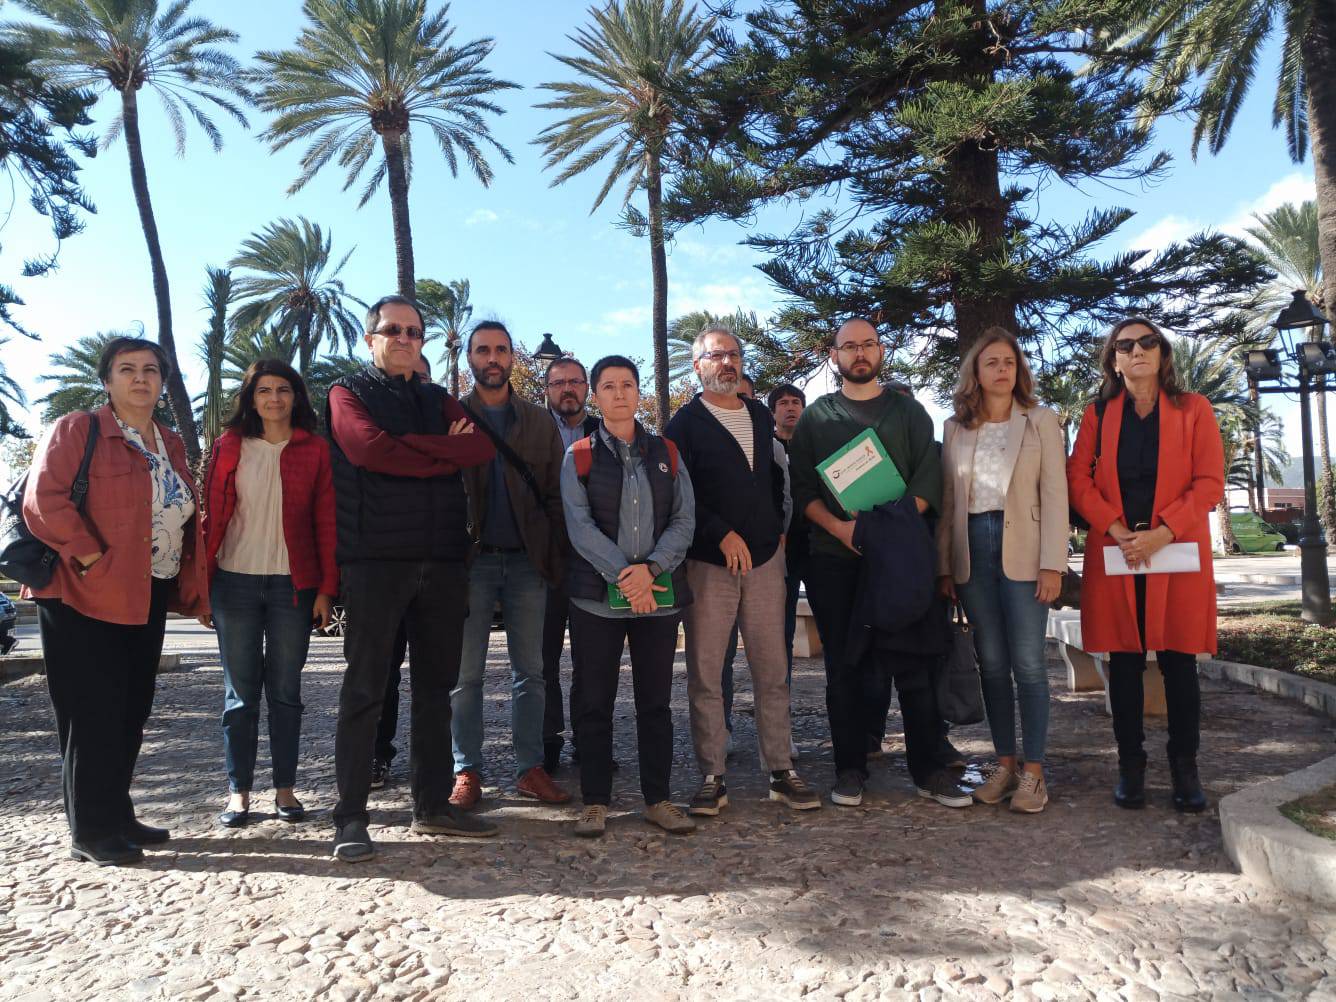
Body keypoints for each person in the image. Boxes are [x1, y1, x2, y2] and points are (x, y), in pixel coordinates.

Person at [22, 336, 208, 865]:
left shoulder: (168, 441)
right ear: (107, 380)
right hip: (83, 591)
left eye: (151, 370)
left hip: (145, 589)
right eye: (127, 369)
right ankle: (91, 829)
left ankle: (116, 812)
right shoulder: (79, 429)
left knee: (130, 707)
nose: (140, 378)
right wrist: (88, 558)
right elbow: (44, 499)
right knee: (91, 710)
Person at [326, 295, 499, 862]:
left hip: (444, 562)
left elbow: (476, 447)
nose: (405, 338)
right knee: (365, 690)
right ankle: (350, 816)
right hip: (376, 562)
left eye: (415, 332)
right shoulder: (347, 393)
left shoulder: (435, 397)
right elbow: (366, 449)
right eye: (393, 330)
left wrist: (423, 450)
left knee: (435, 690)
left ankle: (432, 806)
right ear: (371, 337)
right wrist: (440, 451)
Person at [788, 318, 972, 809]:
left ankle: (929, 771)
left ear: (881, 350)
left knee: (916, 668)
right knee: (846, 670)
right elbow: (803, 490)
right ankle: (849, 769)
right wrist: (844, 530)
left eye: (868, 343)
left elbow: (927, 485)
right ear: (835, 357)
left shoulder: (909, 414)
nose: (859, 353)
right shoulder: (816, 419)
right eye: (849, 346)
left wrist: (881, 532)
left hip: (902, 561)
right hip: (836, 558)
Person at [1068, 318, 1223, 813]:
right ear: (1114, 359)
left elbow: (1209, 481)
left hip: (1174, 547)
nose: (1138, 351)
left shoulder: (1193, 409)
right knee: (1125, 662)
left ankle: (1185, 767)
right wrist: (1118, 530)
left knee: (1179, 662)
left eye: (1148, 342)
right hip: (1117, 550)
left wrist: (1161, 533)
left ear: (1162, 353)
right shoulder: (1097, 413)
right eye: (1126, 345)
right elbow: (1077, 480)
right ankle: (1130, 767)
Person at [666, 330, 818, 816]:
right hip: (710, 564)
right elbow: (679, 496)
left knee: (772, 671)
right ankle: (713, 775)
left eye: (733, 354)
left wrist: (775, 529)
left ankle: (781, 769)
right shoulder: (683, 425)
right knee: (707, 673)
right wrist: (719, 533)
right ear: (697, 366)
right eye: (717, 355)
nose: (727, 362)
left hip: (765, 563)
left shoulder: (757, 414)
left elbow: (774, 478)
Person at [561, 356, 698, 837]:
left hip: (658, 598)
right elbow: (579, 527)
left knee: (655, 702)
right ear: (596, 395)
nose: (619, 393)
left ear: (639, 392)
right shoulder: (578, 455)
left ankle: (657, 798)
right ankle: (595, 801)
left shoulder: (668, 452)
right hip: (596, 600)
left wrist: (652, 571)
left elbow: (684, 520)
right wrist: (626, 575)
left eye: (628, 384)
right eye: (609, 386)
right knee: (594, 700)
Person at [936, 328, 1067, 814]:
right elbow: (950, 502)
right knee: (990, 663)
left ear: (1019, 370)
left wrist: (1053, 562)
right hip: (973, 551)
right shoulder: (955, 427)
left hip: (1026, 552)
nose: (1001, 370)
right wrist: (945, 566)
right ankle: (1005, 764)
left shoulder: (1041, 421)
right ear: (976, 371)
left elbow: (1055, 494)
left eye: (1009, 362)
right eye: (991, 362)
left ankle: (1035, 772)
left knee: (1029, 664)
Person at [201, 360, 337, 827]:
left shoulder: (315, 450)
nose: (274, 398)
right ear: (251, 398)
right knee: (240, 695)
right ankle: (238, 792)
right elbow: (210, 517)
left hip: (292, 588)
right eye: (264, 390)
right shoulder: (229, 445)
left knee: (285, 692)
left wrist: (325, 591)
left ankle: (285, 790)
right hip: (232, 583)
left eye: (283, 389)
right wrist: (200, 585)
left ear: (296, 397)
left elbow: (327, 523)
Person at [450, 321, 571, 808]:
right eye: (484, 350)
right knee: (466, 676)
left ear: (512, 360)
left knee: (533, 673)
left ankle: (530, 768)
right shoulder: (452, 417)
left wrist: (553, 553)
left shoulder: (538, 422)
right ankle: (467, 771)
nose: (493, 357)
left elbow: (558, 494)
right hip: (471, 563)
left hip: (526, 563)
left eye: (501, 349)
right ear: (471, 360)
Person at [371, 355, 434, 790]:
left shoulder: (445, 421)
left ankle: (432, 772)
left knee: (436, 679)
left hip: (439, 567)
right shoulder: (376, 424)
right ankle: (377, 754)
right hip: (385, 564)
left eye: (424, 379)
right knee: (381, 672)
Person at [540, 354, 601, 774]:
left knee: (591, 659)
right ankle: (546, 744)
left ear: (586, 389)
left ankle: (589, 741)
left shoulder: (608, 432)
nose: (567, 389)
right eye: (558, 382)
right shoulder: (530, 430)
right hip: (542, 561)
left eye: (575, 382)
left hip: (592, 561)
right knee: (540, 659)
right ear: (546, 389)